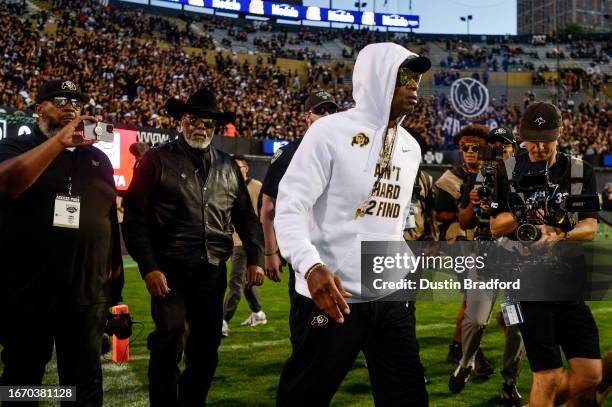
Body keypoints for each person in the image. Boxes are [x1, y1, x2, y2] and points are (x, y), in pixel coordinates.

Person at [274, 42, 431, 406]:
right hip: (333, 294)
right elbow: (290, 206)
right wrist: (310, 266)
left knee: (408, 398)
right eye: (405, 75)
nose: (415, 84)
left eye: (417, 77)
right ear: (378, 78)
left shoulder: (411, 147)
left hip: (392, 296)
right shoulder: (329, 131)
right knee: (303, 397)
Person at [122, 88, 265, 406]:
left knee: (206, 347)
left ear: (215, 128)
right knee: (169, 338)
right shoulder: (156, 160)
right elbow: (134, 219)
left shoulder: (228, 166)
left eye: (208, 122)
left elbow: (245, 217)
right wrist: (149, 267)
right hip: (169, 271)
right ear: (182, 121)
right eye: (194, 119)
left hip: (212, 271)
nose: (201, 127)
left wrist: (255, 256)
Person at [0, 79, 122, 406]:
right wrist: (59, 142)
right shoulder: (17, 146)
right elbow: (8, 184)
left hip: (84, 296)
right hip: (29, 293)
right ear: (39, 108)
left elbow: (108, 220)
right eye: (59, 99)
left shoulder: (98, 159)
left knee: (83, 387)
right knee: (21, 382)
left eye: (75, 102)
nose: (70, 106)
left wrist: (114, 286)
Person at [490, 101, 602, 407]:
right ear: (521, 135)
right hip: (527, 283)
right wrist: (525, 211)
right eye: (532, 139)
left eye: (547, 139)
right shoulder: (507, 171)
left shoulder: (580, 170)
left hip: (569, 285)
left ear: (561, 133)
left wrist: (562, 234)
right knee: (548, 375)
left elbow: (591, 227)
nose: (538, 147)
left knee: (591, 373)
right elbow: (497, 226)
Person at [448, 126, 526, 406]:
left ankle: (510, 382)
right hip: (485, 256)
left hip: (518, 257)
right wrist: (471, 202)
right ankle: (467, 361)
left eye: (503, 147)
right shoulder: (480, 177)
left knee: (517, 324)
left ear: (513, 149)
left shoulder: (525, 174)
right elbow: (466, 221)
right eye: (492, 147)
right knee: (476, 318)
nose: (498, 152)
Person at [260, 90, 338, 298]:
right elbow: (269, 206)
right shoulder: (288, 155)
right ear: (307, 115)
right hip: (305, 254)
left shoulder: (347, 152)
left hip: (341, 252)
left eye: (332, 110)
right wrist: (270, 252)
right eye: (321, 110)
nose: (327, 115)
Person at [435, 125, 494, 377]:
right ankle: (473, 354)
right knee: (472, 298)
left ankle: (457, 346)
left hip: (484, 244)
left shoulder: (493, 175)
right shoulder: (450, 178)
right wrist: (466, 213)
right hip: (459, 242)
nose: (470, 152)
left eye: (475, 147)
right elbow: (441, 213)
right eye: (465, 147)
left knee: (471, 298)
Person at [222, 155, 266, 336]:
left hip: (246, 243)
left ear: (246, 168)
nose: (235, 170)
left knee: (235, 282)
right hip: (235, 241)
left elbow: (263, 215)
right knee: (247, 281)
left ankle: (223, 320)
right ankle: (258, 313)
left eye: (238, 167)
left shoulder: (257, 187)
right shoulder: (229, 186)